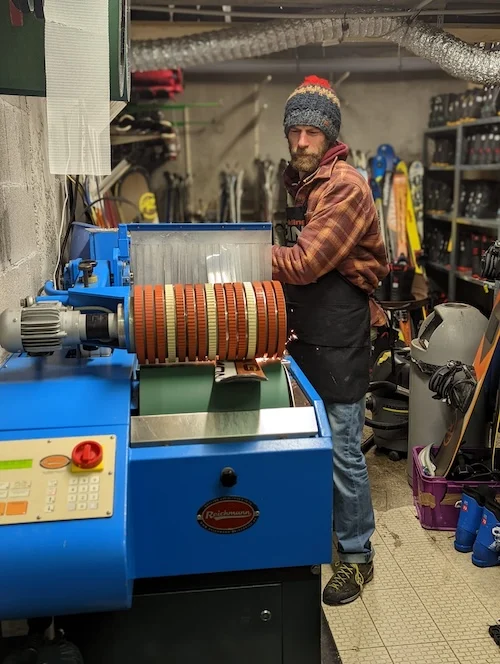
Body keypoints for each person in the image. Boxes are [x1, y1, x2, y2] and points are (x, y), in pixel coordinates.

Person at [272, 75, 389, 606]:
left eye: (310, 132)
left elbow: (305, 261)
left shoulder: (344, 185)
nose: (299, 140)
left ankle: (357, 557)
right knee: (311, 442)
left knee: (343, 450)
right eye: (293, 130)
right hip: (308, 332)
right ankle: (321, 538)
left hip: (338, 336)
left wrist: (238, 251)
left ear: (329, 136)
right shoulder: (306, 184)